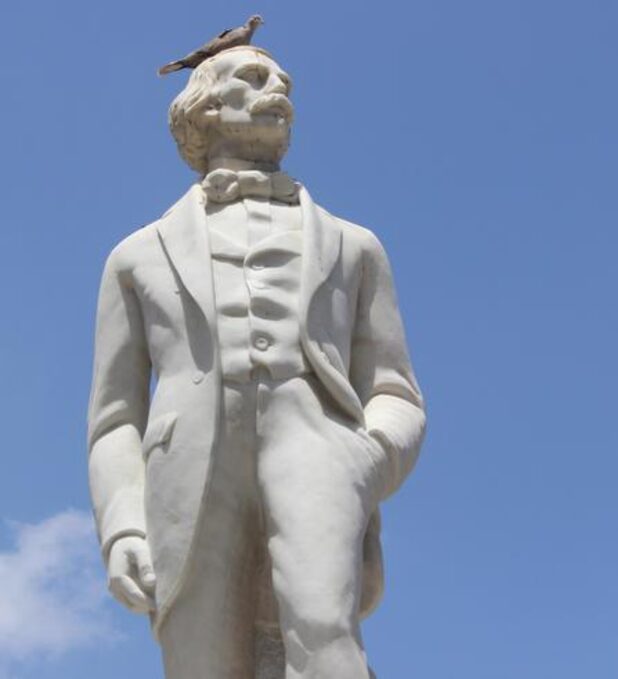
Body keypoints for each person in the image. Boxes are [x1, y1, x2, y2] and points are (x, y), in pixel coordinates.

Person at [87, 45, 425, 679]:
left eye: (285, 80)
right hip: (185, 470)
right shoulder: (135, 256)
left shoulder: (355, 246)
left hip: (317, 446)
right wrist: (123, 526)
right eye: (255, 76)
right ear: (204, 105)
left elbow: (395, 389)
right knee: (199, 661)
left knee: (328, 637)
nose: (281, 90)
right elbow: (114, 418)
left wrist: (369, 456)